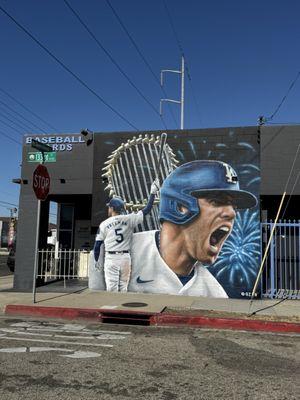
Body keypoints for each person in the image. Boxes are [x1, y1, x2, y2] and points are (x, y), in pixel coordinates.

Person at [128, 160, 257, 298]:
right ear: (180, 207)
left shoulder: (215, 295)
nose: (232, 213)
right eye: (217, 201)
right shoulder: (124, 251)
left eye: (234, 207)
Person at [93, 178, 160, 292]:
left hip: (111, 258)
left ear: (113, 208)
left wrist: (96, 260)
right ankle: (120, 307)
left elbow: (97, 246)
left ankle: (112, 308)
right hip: (125, 257)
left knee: (112, 289)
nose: (108, 208)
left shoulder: (104, 224)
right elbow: (147, 209)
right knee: (123, 288)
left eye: (109, 207)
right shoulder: (129, 219)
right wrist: (152, 193)